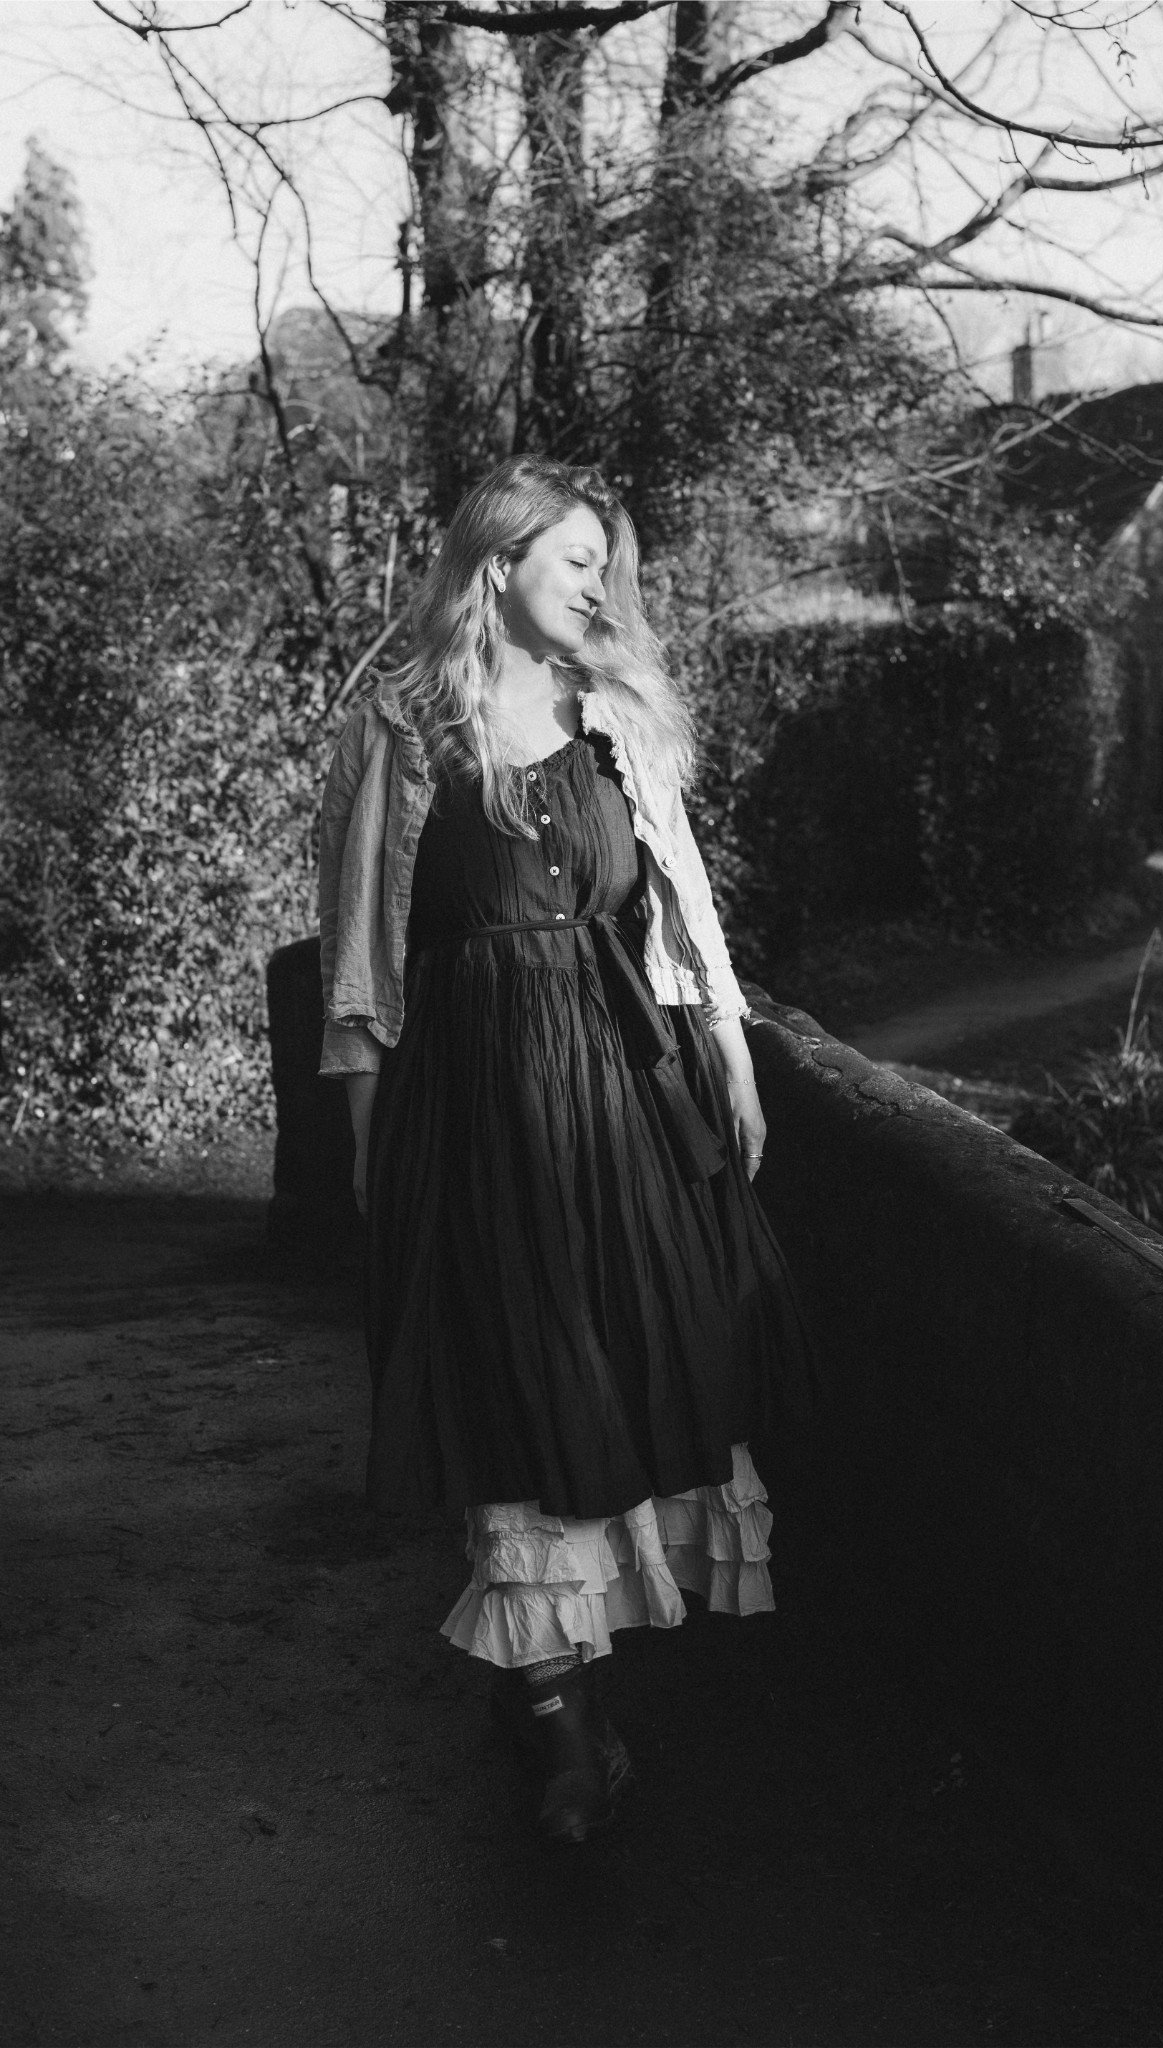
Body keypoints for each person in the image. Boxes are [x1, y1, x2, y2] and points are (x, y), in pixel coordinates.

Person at [317, 455, 813, 1845]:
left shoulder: (618, 720)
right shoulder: (401, 727)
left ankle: (550, 1689)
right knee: (515, 1390)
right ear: (499, 566)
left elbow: (680, 901)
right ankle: (566, 1737)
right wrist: (369, 1143)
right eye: (579, 559)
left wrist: (730, 1054)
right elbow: (358, 952)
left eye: (608, 564)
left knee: (636, 1367)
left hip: (621, 1095)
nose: (603, 587)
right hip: (472, 1104)